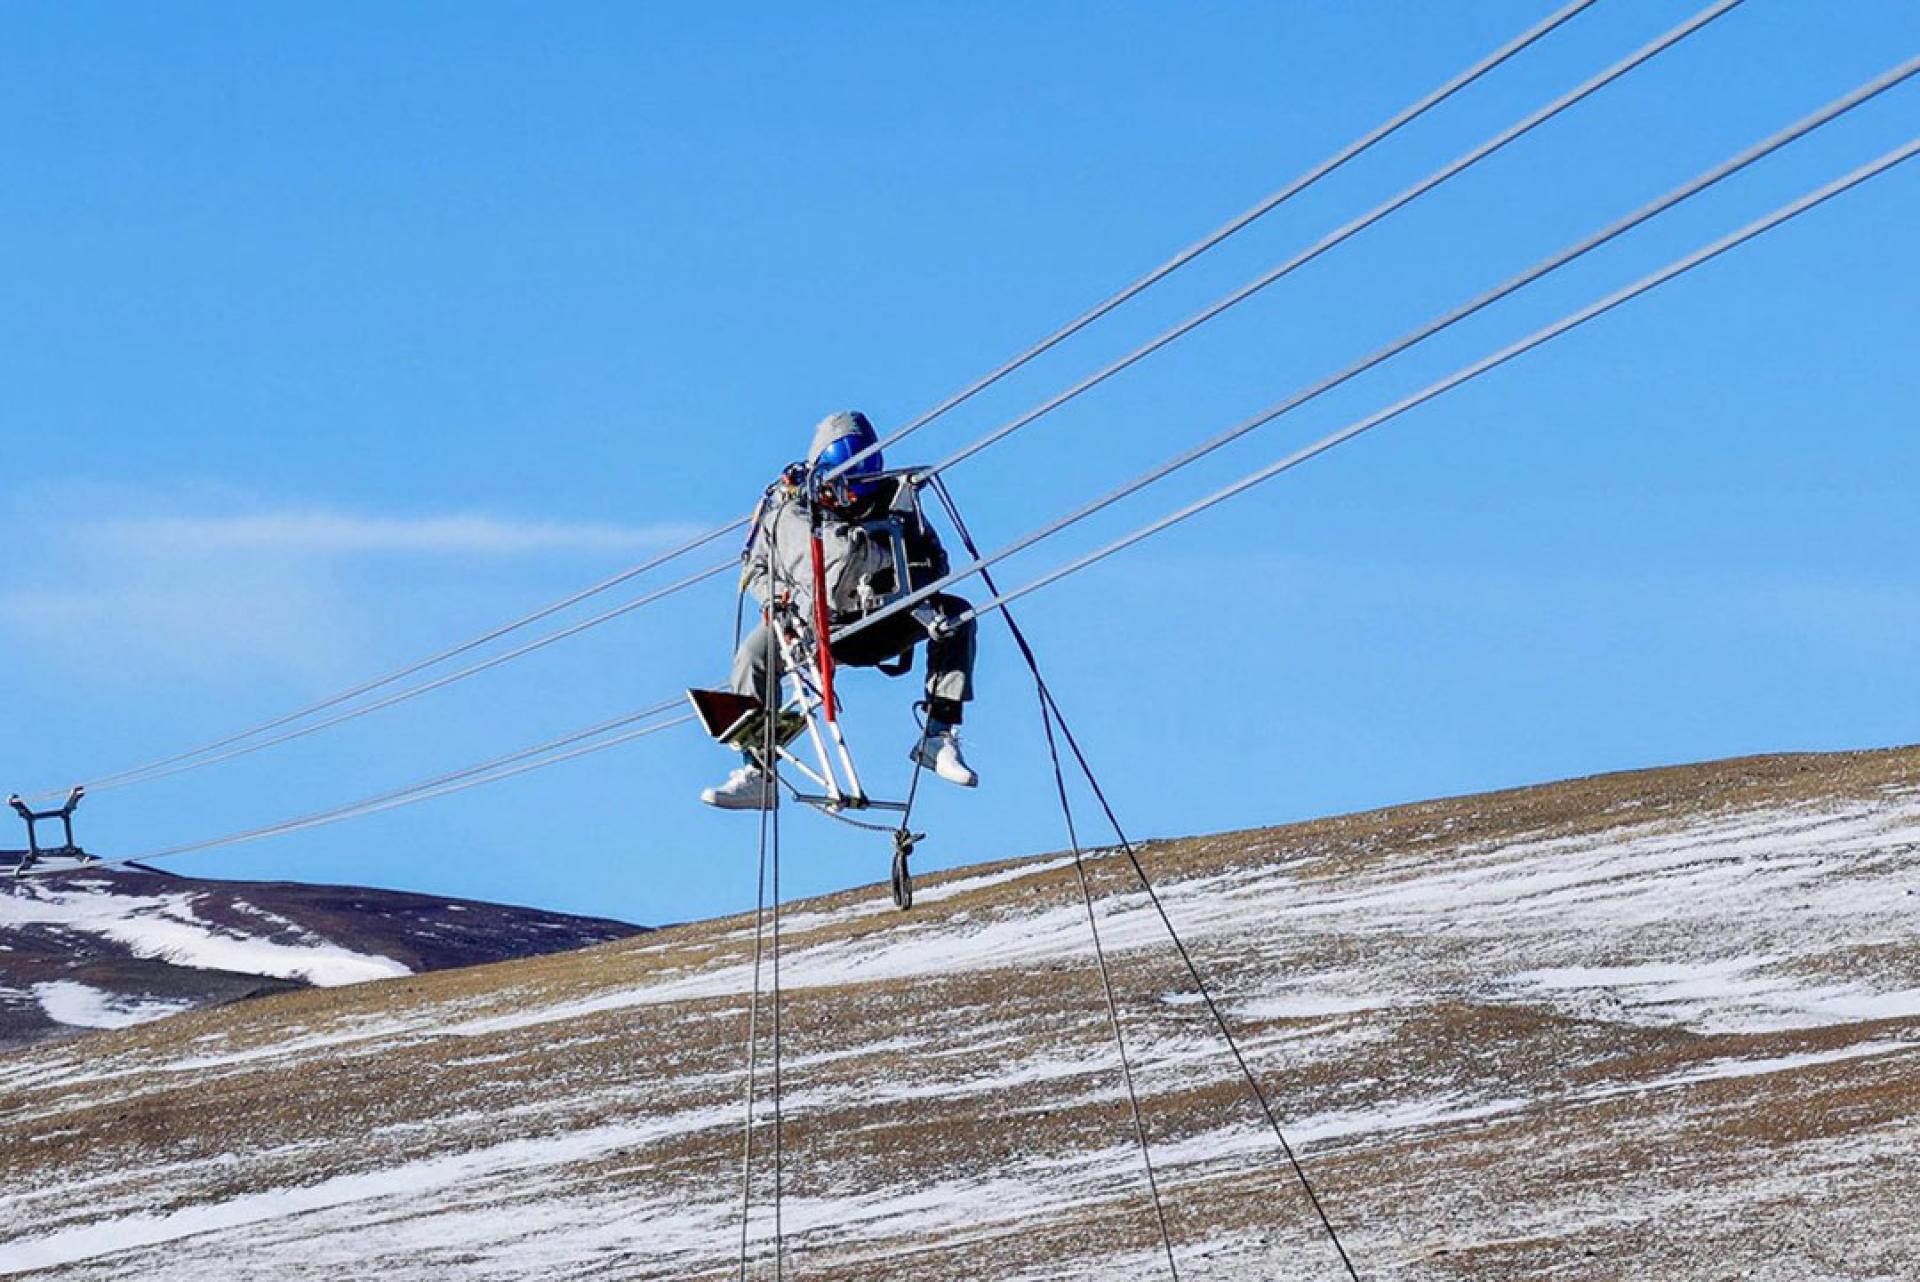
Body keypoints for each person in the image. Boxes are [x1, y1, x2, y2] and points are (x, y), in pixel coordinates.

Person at [702, 410, 979, 810]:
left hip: (885, 619)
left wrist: (888, 568)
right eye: (843, 484)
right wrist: (774, 601)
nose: (852, 496)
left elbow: (936, 564)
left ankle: (938, 736)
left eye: (861, 485)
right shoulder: (787, 511)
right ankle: (758, 771)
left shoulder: (898, 502)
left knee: (957, 617)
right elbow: (756, 567)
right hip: (814, 627)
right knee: (753, 657)